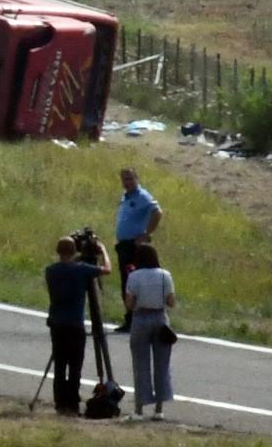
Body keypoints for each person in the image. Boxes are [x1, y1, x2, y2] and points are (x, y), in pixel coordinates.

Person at [44, 235, 112, 416]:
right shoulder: (81, 270)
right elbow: (107, 270)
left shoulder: (51, 270)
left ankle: (60, 403)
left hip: (57, 324)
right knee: (75, 366)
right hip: (74, 324)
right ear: (74, 251)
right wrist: (103, 250)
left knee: (60, 365)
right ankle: (72, 404)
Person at [123, 243, 176, 421]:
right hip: (160, 318)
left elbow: (129, 305)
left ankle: (139, 409)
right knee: (162, 364)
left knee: (140, 364)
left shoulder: (134, 276)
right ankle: (159, 409)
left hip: (141, 318)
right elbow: (171, 302)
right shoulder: (165, 275)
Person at [113, 168, 163, 333]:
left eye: (130, 179)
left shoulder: (141, 196)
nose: (127, 182)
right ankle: (130, 319)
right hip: (124, 244)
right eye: (124, 179)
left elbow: (157, 212)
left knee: (133, 281)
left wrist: (146, 234)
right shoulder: (126, 197)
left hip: (134, 246)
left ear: (136, 178)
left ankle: (137, 319)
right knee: (126, 282)